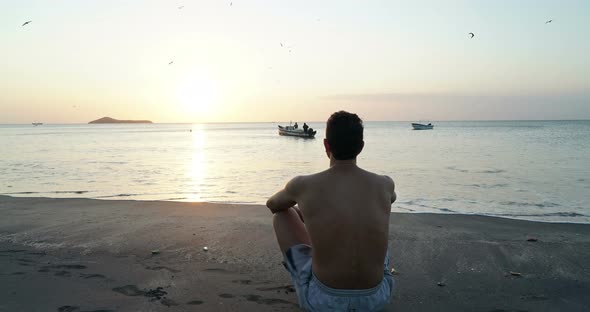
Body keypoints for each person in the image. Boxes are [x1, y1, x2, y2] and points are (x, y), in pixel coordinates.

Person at [267, 111, 396, 311]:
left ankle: (316, 269)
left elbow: (273, 205)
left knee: (282, 216)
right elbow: (391, 199)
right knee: (370, 222)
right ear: (361, 147)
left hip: (324, 301)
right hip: (376, 298)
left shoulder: (303, 185)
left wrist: (306, 211)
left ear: (326, 145)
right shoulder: (385, 184)